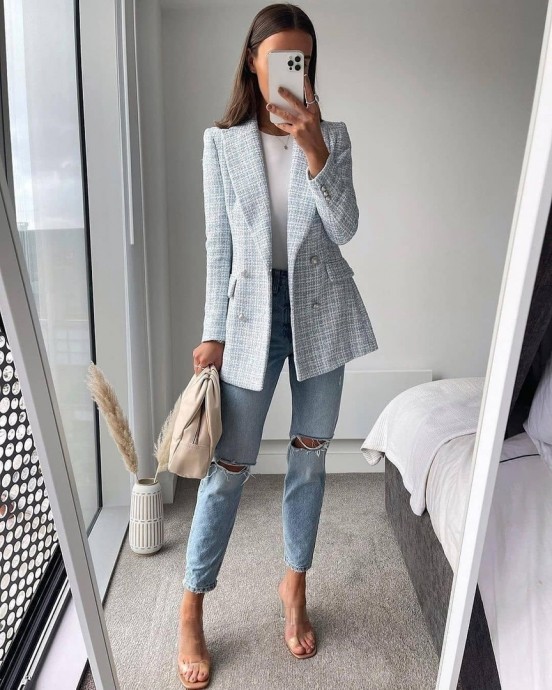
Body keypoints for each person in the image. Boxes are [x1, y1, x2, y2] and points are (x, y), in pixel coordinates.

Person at [177, 4, 378, 688]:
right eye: (282, 58)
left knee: (310, 461)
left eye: (304, 60)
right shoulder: (221, 143)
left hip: (322, 309)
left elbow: (345, 229)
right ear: (253, 61)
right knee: (228, 466)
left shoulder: (332, 135)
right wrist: (212, 332)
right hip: (249, 314)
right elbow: (219, 246)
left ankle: (295, 586)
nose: (295, 70)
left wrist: (315, 148)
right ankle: (192, 604)